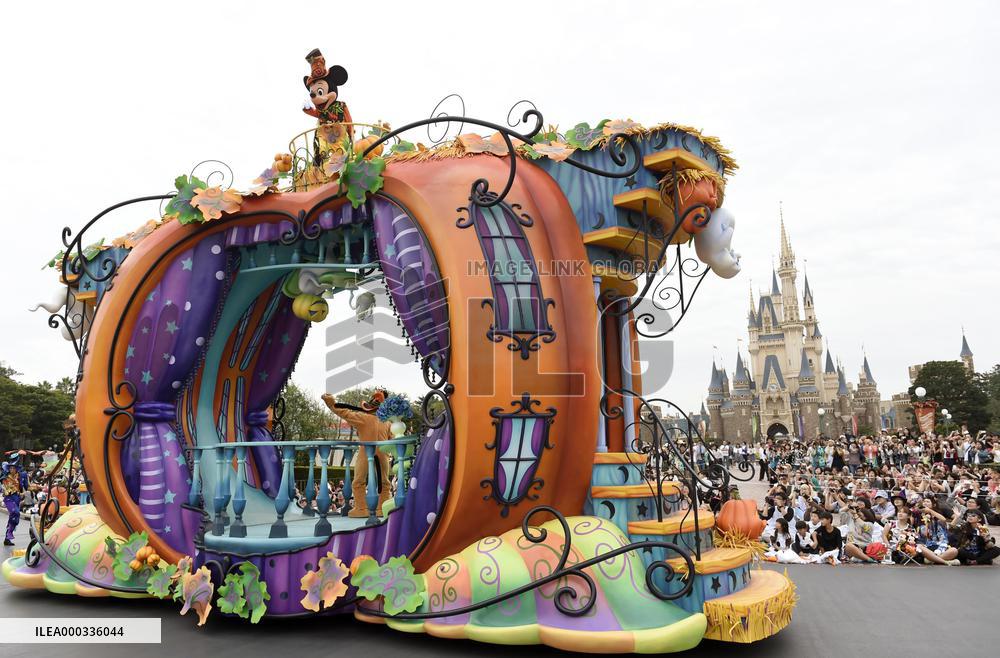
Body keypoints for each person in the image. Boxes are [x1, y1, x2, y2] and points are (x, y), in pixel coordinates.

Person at [321, 390, 392, 518]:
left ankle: (361, 508)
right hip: (383, 453)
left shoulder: (363, 418)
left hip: (365, 452)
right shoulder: (387, 422)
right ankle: (382, 508)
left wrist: (332, 405)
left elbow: (346, 413)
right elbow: (392, 439)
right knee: (384, 482)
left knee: (358, 481)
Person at [2, 453, 29, 545]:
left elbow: (26, 487)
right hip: (8, 498)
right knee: (15, 512)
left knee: (14, 518)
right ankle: (9, 533)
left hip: (17, 498)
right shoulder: (4, 475)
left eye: (13, 468)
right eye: (10, 468)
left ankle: (7, 538)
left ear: (17, 468)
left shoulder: (21, 476)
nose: (11, 469)